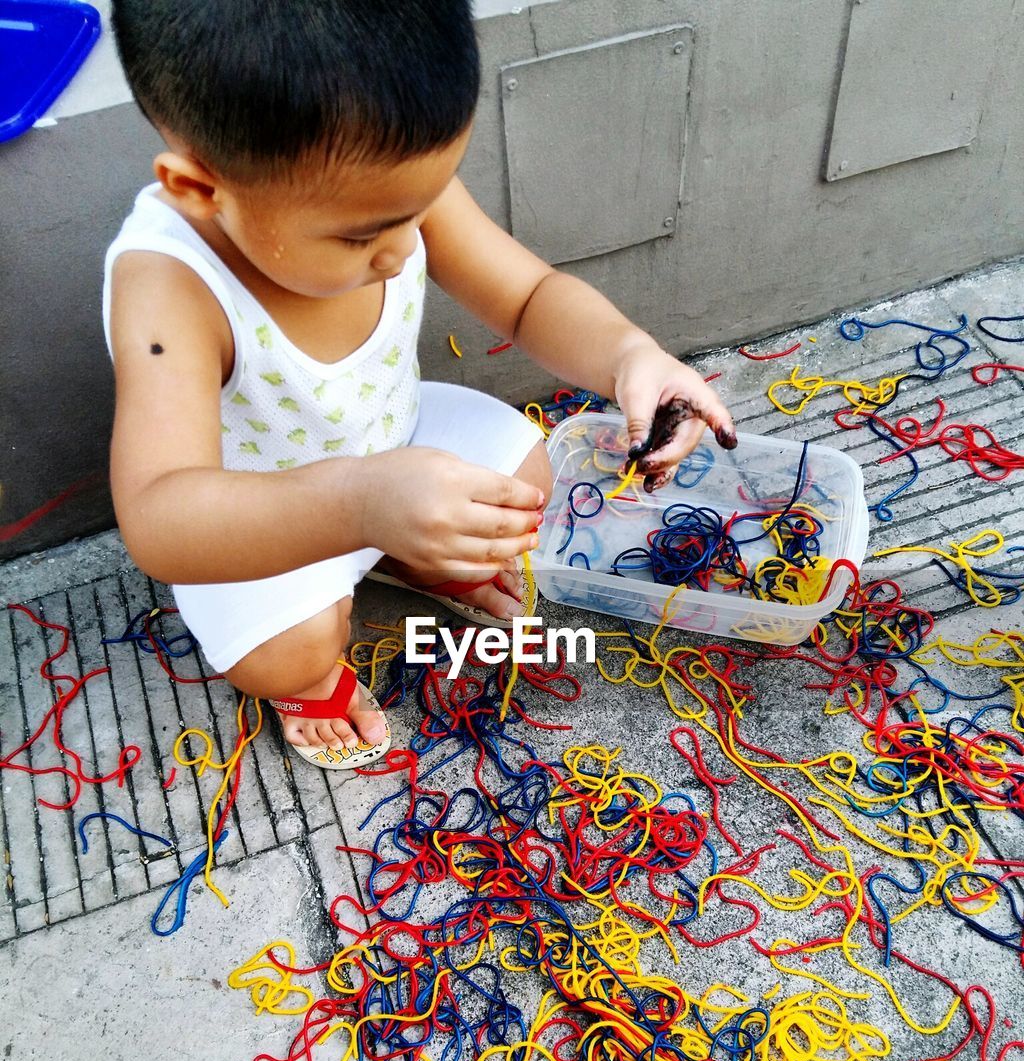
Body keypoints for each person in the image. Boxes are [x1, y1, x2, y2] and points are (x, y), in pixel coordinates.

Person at [104, 0, 735, 771]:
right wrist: (358, 503)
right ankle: (307, 677)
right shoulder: (168, 288)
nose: (405, 251)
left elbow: (528, 296)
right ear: (201, 191)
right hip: (264, 519)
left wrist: (631, 357)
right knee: (292, 651)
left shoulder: (379, 182)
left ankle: (405, 556)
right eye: (361, 235)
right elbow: (159, 515)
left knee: (528, 478)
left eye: (416, 211)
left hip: (393, 443)